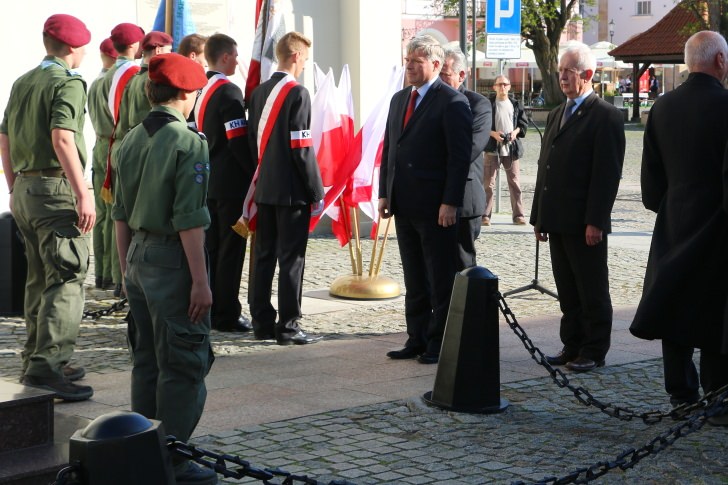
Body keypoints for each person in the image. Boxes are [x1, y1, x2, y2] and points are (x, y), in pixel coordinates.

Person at [111, 53, 217, 485]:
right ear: (186, 94)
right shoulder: (188, 142)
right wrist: (201, 281)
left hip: (136, 255)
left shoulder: (130, 139)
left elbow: (118, 213)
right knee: (184, 363)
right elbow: (189, 219)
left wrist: (124, 271)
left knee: (147, 361)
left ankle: (142, 449)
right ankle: (172, 457)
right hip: (172, 261)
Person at [630, 31, 728, 416]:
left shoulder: (663, 107)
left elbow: (650, 181)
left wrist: (669, 207)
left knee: (674, 306)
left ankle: (681, 395)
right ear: (720, 61)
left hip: (674, 222)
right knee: (717, 314)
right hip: (718, 226)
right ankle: (718, 398)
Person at [0, 14, 94, 400]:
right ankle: (48, 367)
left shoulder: (24, 81)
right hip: (55, 188)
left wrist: (14, 186)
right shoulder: (67, 82)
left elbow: (3, 138)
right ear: (73, 48)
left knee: (39, 277)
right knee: (66, 279)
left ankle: (36, 358)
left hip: (24, 188)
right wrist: (82, 192)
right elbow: (62, 138)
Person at [530, 42, 624, 373]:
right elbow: (546, 167)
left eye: (568, 72)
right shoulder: (558, 112)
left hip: (585, 221)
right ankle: (571, 344)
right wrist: (538, 216)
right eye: (560, 71)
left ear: (586, 74)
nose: (562, 78)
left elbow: (606, 175)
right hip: (557, 218)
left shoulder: (605, 116)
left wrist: (596, 221)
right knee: (567, 288)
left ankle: (593, 349)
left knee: (591, 288)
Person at [379, 35, 472, 364]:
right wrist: (384, 192)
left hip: (436, 208)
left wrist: (450, 202)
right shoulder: (400, 99)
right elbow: (390, 147)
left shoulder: (452, 102)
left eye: (416, 62)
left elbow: (459, 159)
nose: (409, 67)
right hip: (404, 204)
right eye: (408, 61)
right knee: (414, 277)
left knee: (439, 278)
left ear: (436, 64)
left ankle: (438, 341)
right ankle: (416, 337)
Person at [244, 32, 324, 345]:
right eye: (304, 59)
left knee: (263, 257)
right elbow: (301, 147)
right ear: (294, 56)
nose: (304, 65)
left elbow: (254, 142)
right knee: (292, 260)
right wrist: (316, 190)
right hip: (292, 192)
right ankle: (289, 327)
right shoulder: (298, 93)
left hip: (264, 187)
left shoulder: (259, 92)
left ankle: (262, 323)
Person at [193, 33, 255, 333]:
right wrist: (255, 172)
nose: (239, 60)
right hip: (230, 184)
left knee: (213, 248)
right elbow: (237, 140)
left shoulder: (199, 88)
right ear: (226, 57)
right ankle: (226, 312)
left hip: (207, 180)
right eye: (236, 54)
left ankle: (212, 307)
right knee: (231, 251)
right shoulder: (229, 92)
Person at [99, 22, 145, 297]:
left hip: (108, 145)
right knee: (125, 216)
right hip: (123, 145)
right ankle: (122, 279)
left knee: (111, 218)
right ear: (133, 45)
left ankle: (110, 276)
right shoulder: (130, 72)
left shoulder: (104, 76)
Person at [439, 47, 491, 270]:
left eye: (445, 74)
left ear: (462, 75)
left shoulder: (477, 104)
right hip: (431, 196)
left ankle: (467, 307)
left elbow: (469, 149)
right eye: (437, 73)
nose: (439, 80)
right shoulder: (429, 101)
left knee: (463, 267)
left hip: (463, 199)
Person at [88, 38, 117, 290]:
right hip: (111, 148)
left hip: (99, 145)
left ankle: (102, 273)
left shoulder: (95, 82)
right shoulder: (112, 82)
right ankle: (111, 273)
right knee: (113, 214)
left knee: (101, 216)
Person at [482, 75, 528, 226]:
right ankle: (485, 215)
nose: (502, 87)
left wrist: (515, 133)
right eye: (499, 84)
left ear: (509, 87)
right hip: (491, 147)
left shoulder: (515, 104)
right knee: (488, 184)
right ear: (494, 87)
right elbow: (481, 124)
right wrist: (493, 133)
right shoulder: (488, 104)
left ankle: (519, 215)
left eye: (505, 84)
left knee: (514, 182)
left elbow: (522, 123)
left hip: (511, 148)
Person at [116, 31, 173, 139]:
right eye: (169, 50)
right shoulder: (154, 79)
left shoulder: (134, 77)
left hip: (134, 137)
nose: (170, 54)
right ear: (158, 50)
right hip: (149, 138)